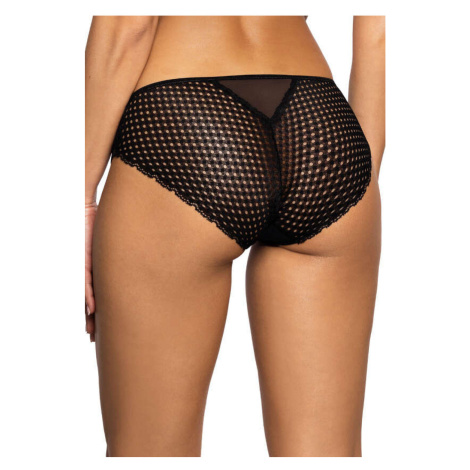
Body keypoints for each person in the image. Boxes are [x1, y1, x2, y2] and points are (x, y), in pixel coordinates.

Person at [85, 15, 385, 457]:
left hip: (184, 117)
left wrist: (81, 198)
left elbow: (129, 25)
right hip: (321, 124)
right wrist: (363, 171)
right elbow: (377, 30)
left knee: (149, 451)